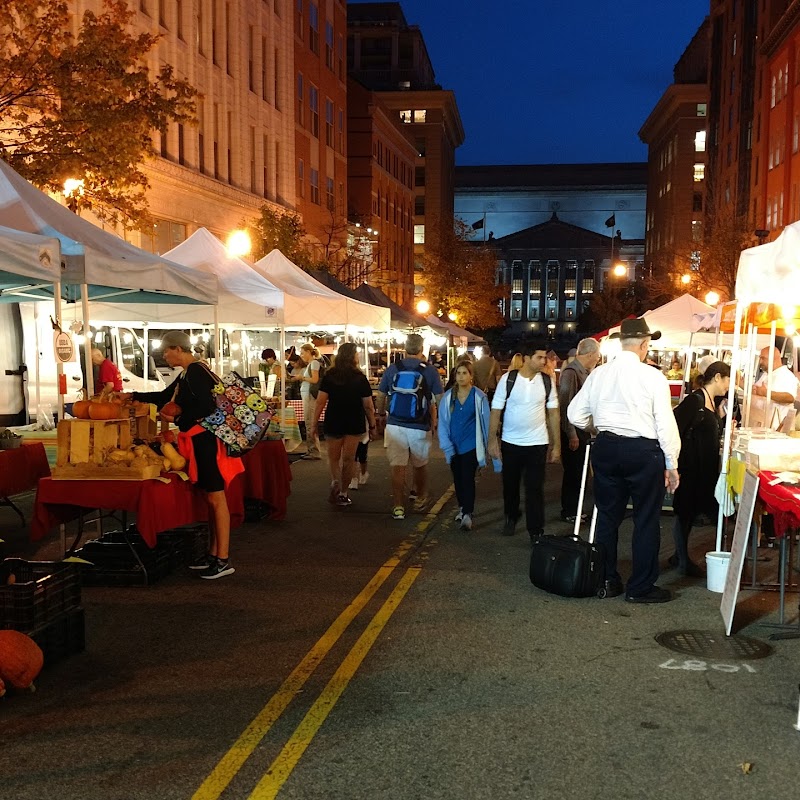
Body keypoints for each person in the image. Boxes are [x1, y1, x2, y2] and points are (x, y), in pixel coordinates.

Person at [568, 317, 681, 604]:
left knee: (607, 515)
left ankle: (606, 578)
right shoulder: (653, 377)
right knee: (645, 518)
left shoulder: (599, 374)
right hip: (643, 451)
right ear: (644, 344)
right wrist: (672, 463)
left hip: (606, 446)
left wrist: (596, 428)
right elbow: (665, 424)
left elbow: (574, 414)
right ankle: (640, 587)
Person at [130, 331, 243, 580]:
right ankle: (214, 554)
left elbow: (207, 406)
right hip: (201, 440)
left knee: (216, 498)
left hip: (207, 441)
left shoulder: (195, 372)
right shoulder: (187, 373)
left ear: (178, 349)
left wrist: (180, 418)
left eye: (166, 352)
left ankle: (223, 559)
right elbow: (163, 397)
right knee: (211, 498)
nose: (165, 357)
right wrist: (132, 396)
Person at [488, 341, 560, 542]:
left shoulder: (547, 381)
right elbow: (496, 410)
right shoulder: (508, 380)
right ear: (527, 358)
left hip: (537, 443)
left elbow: (554, 414)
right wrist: (492, 440)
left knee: (535, 488)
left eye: (544, 357)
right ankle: (511, 515)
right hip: (511, 442)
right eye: (539, 357)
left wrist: (557, 445)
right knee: (510, 485)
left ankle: (535, 530)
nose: (543, 361)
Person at [669, 361, 731, 577]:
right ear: (717, 377)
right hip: (690, 467)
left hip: (703, 468)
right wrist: (672, 465)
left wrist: (719, 419)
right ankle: (682, 559)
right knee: (686, 512)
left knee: (692, 511)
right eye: (727, 381)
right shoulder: (694, 401)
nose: (728, 386)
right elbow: (675, 428)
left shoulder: (711, 403)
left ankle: (680, 555)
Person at [376, 333, 443, 520]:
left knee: (398, 467)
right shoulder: (429, 371)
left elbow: (381, 396)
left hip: (395, 424)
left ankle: (398, 506)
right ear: (422, 349)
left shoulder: (393, 369)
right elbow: (439, 399)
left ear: (405, 349)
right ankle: (420, 497)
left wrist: (381, 415)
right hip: (419, 425)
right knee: (419, 465)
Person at [308, 342, 375, 507]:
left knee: (333, 457)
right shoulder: (360, 378)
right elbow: (368, 405)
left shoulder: (330, 376)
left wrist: (314, 424)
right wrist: (372, 425)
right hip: (354, 421)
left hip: (334, 419)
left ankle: (335, 481)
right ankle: (344, 493)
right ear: (353, 357)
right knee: (348, 459)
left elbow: (320, 402)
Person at [437, 360, 491, 531]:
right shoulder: (448, 398)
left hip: (471, 445)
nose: (461, 377)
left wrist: (488, 446)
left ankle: (468, 513)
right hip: (453, 446)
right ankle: (462, 507)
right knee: (458, 479)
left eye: (464, 373)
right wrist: (447, 446)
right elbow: (443, 423)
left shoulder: (479, 397)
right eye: (458, 373)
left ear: (471, 376)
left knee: (468, 478)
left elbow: (486, 423)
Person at [558, 338, 601, 523]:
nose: (599, 358)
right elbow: (566, 404)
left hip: (580, 430)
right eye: (598, 355)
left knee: (578, 471)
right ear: (590, 354)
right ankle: (569, 510)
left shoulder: (581, 371)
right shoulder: (571, 373)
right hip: (575, 431)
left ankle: (574, 509)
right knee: (573, 472)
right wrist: (572, 434)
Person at [750, 346, 800, 429]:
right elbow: (757, 390)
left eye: (763, 358)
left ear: (773, 358)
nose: (760, 362)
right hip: (762, 427)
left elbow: (790, 397)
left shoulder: (786, 376)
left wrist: (766, 393)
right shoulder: (766, 375)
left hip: (777, 430)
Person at [291, 343, 322, 458]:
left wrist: (301, 377)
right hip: (307, 394)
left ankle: (314, 450)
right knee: (308, 422)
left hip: (309, 395)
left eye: (303, 353)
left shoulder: (314, 363)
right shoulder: (310, 364)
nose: (301, 355)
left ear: (309, 352)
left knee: (310, 422)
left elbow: (314, 379)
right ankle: (311, 449)